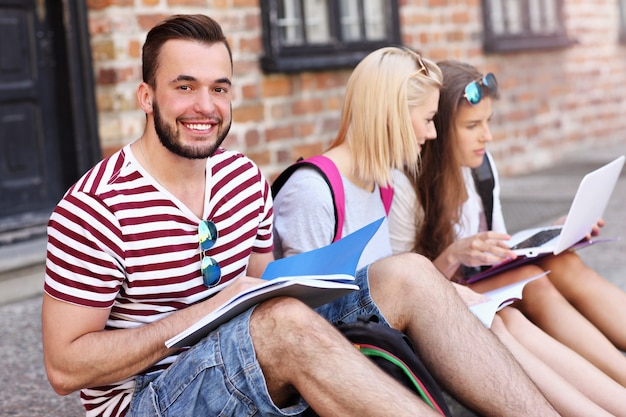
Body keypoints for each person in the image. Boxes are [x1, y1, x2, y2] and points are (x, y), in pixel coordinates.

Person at [40, 16, 557, 417]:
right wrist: (209, 311)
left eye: (219, 88)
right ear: (146, 97)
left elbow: (263, 281)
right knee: (283, 324)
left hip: (244, 359)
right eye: (184, 86)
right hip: (152, 399)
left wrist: (314, 283)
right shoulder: (93, 208)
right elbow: (64, 368)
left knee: (410, 273)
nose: (205, 105)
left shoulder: (242, 177)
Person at [272, 46, 617, 416]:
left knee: (497, 317)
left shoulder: (379, 184)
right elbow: (301, 321)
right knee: (491, 325)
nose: (433, 132)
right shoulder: (312, 189)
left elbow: (384, 282)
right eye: (427, 119)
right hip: (349, 348)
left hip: (383, 325)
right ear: (391, 116)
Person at [388, 59, 626, 388]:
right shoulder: (404, 185)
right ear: (437, 131)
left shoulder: (480, 168)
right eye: (472, 126)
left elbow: (500, 243)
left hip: (479, 280)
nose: (486, 136)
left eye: (487, 122)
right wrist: (455, 254)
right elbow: (400, 288)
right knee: (532, 280)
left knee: (565, 262)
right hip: (438, 300)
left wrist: (552, 235)